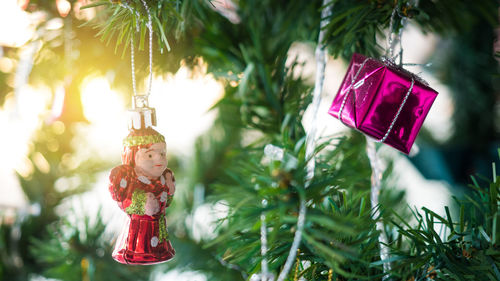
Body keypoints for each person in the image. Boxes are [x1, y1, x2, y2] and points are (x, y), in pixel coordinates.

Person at [108, 127, 175, 265]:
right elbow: (126, 201)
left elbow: (166, 202)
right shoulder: (131, 181)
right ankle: (136, 250)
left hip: (159, 228)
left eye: (162, 154)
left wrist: (170, 191)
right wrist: (143, 202)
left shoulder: (164, 178)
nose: (159, 159)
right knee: (140, 242)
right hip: (137, 233)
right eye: (150, 155)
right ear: (134, 157)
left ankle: (161, 250)